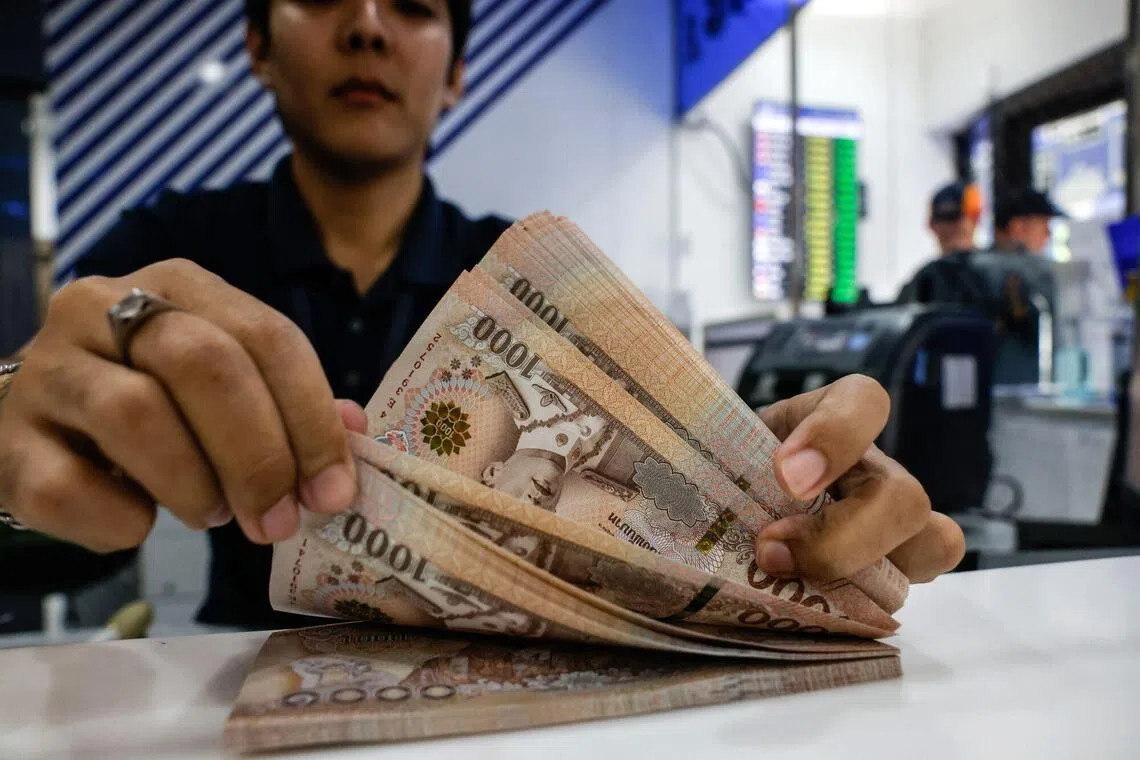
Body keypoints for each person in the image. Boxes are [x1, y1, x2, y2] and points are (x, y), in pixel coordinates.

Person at [0, 0, 964, 631]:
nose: (369, 25)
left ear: (457, 73)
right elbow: (48, 491)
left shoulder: (550, 292)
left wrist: (777, 488)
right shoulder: (168, 249)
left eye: (415, 7)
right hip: (225, 669)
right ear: (257, 45)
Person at [897, 182, 987, 306]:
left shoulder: (994, 274)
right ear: (931, 225)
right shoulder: (925, 280)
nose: (951, 227)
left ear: (975, 218)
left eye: (956, 218)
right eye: (944, 219)